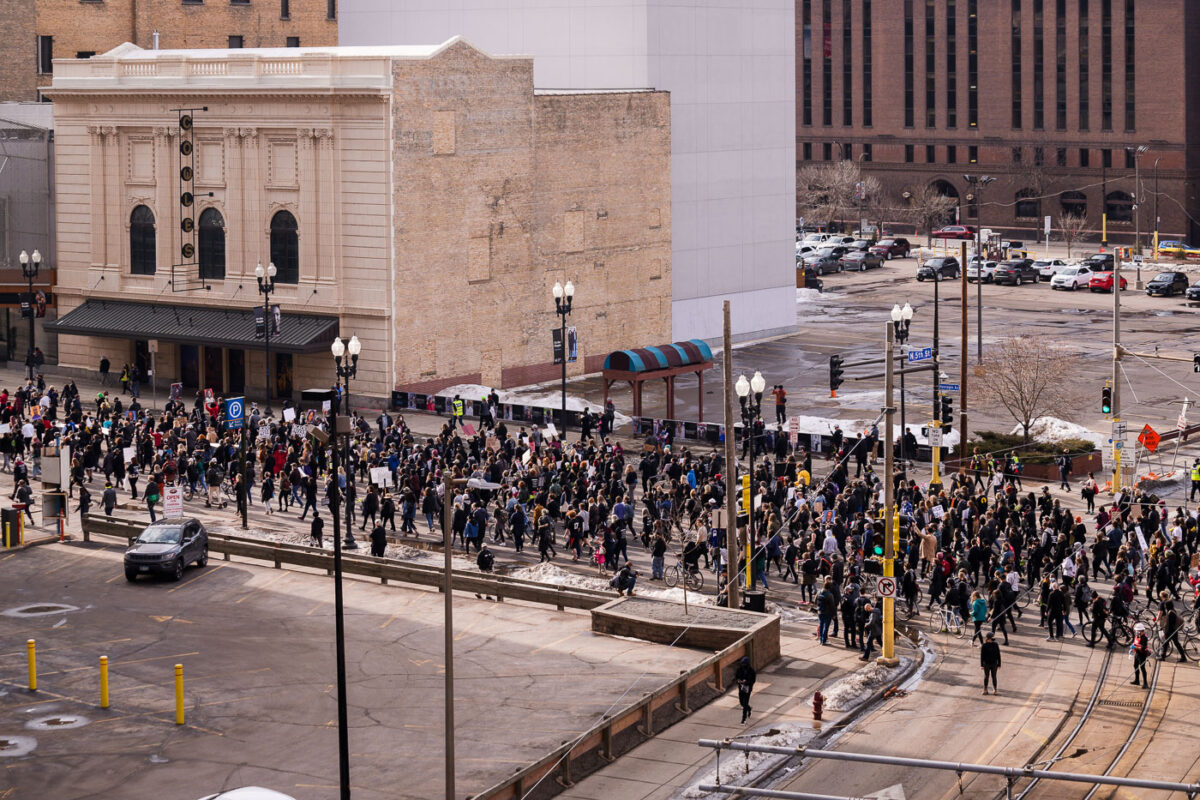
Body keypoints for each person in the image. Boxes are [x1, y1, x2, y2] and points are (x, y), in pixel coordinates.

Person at [735, 656, 756, 724]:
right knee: (742, 702)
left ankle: (743, 719)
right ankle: (749, 708)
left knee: (745, 702)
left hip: (748, 689)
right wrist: (739, 681)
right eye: (742, 663)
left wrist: (746, 682)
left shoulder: (751, 671)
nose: (743, 665)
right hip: (741, 688)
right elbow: (736, 676)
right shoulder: (739, 669)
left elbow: (753, 680)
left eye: (744, 664)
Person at [1131, 622, 1151, 687]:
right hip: (1137, 654)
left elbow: (1142, 648)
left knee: (1142, 668)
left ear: (1141, 631)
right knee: (1135, 666)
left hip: (1142, 655)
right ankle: (1137, 680)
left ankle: (1145, 683)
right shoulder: (1138, 635)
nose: (1137, 632)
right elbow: (1136, 642)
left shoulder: (1144, 638)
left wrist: (1135, 647)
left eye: (1137, 631)